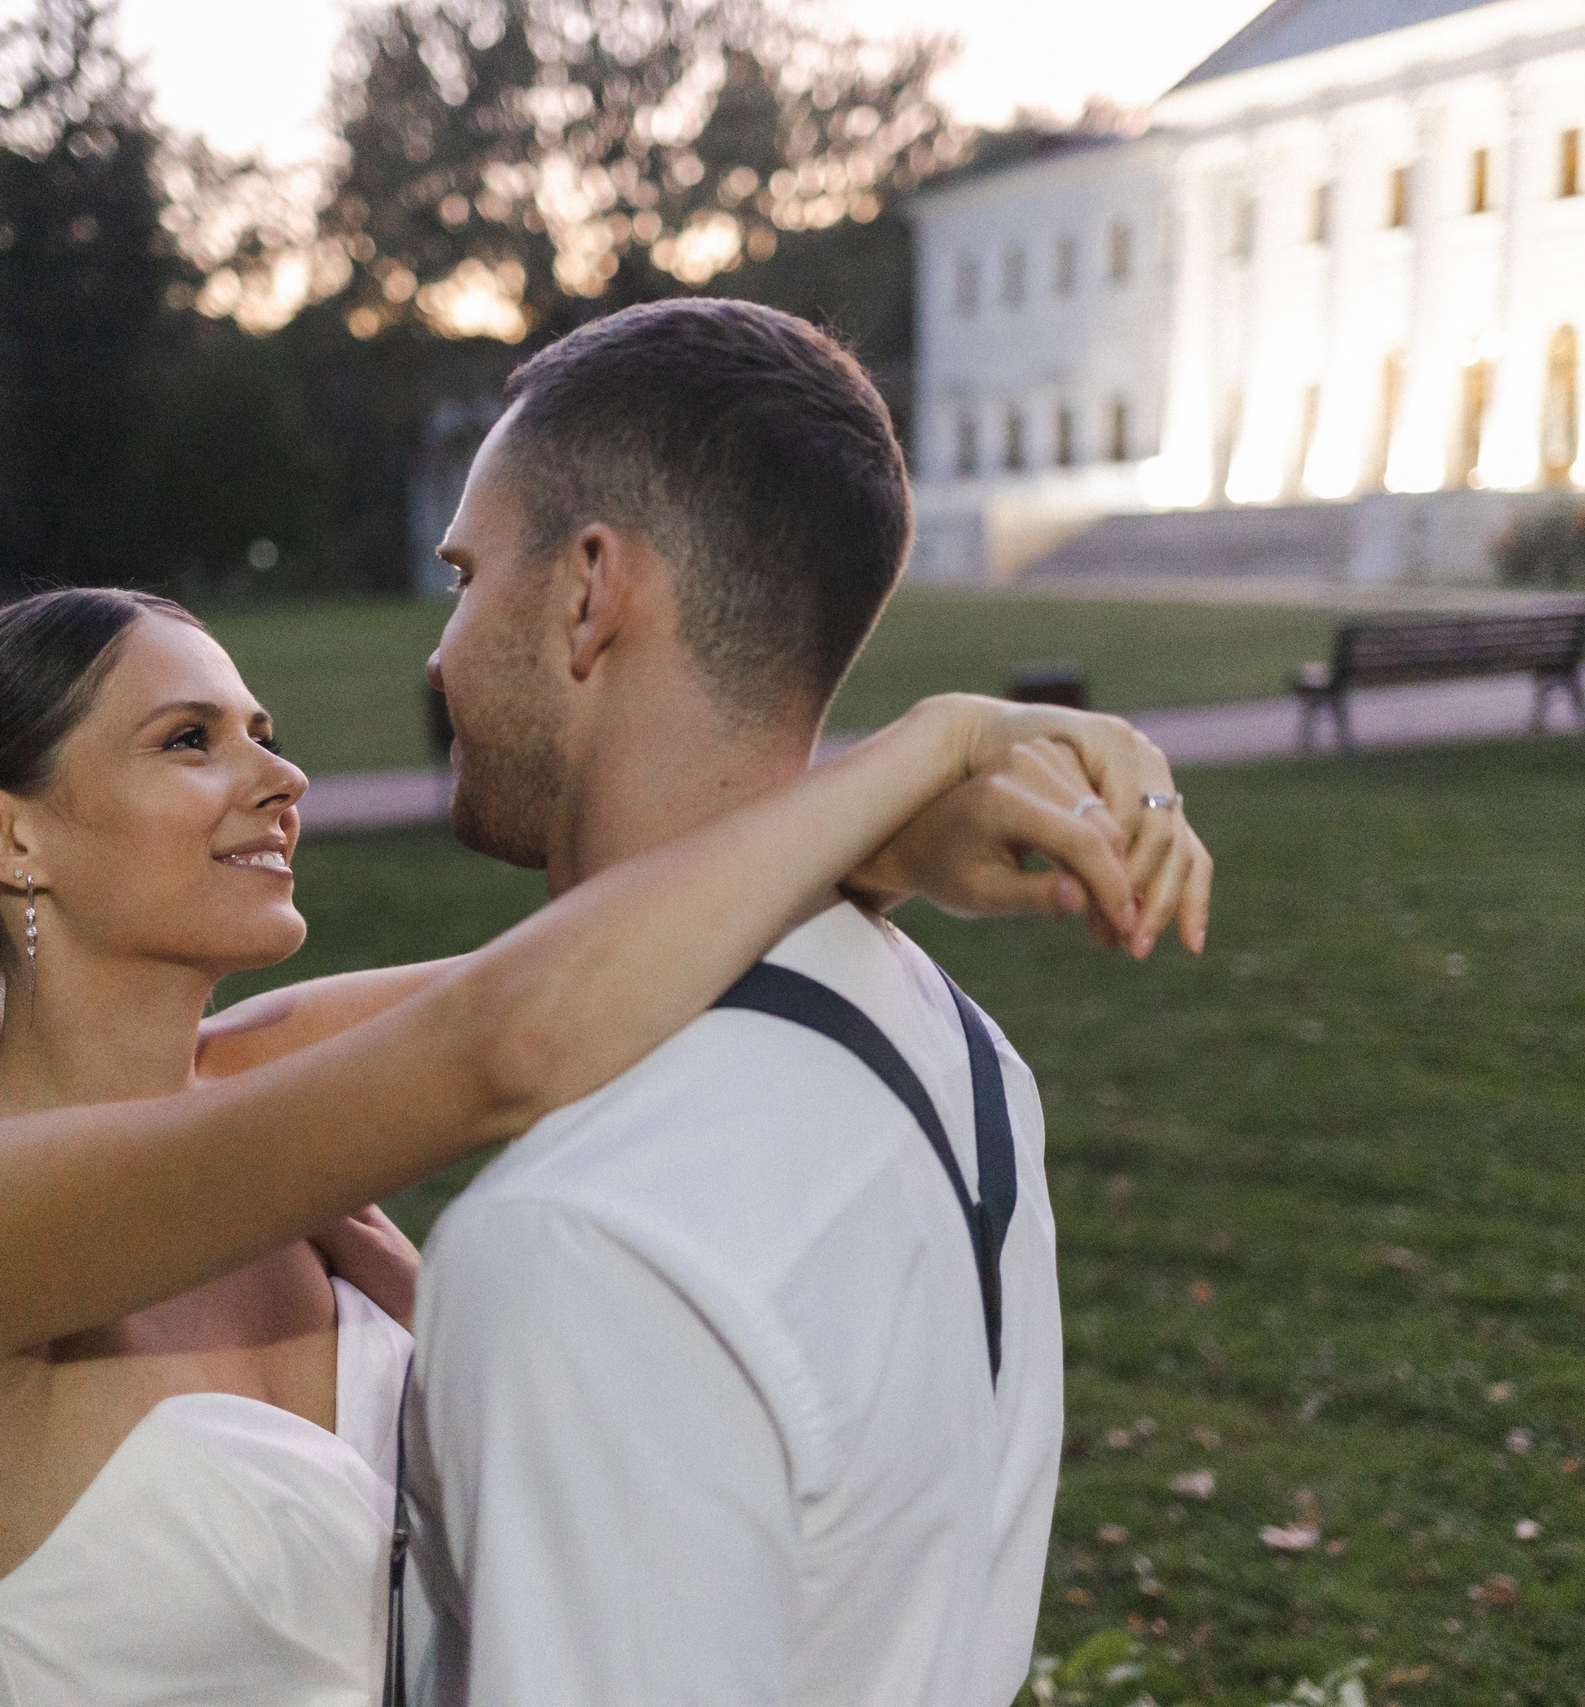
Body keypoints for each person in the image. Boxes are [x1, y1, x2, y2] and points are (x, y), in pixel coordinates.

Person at [0, 577, 1206, 1704]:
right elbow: (504, 1041)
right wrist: (918, 750)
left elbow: (620, 948)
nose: (278, 778)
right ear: (0, 831)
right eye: (190, 743)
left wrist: (899, 847)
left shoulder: (259, 1096)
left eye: (263, 729)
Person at [399, 299, 1207, 1707]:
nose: (442, 651)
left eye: (465, 577)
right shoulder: (960, 1050)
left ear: (589, 592)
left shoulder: (578, 1242)